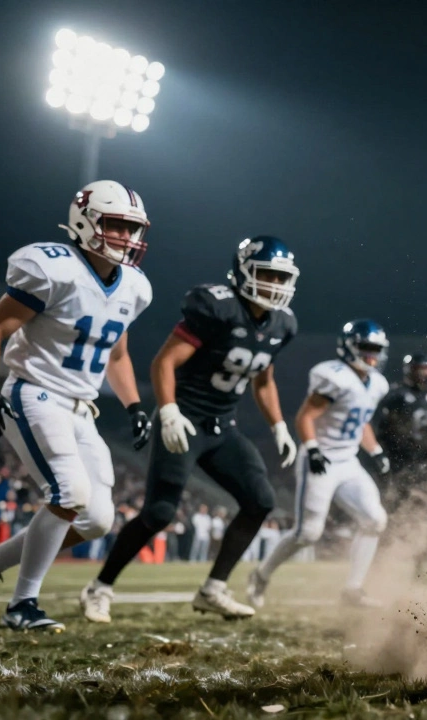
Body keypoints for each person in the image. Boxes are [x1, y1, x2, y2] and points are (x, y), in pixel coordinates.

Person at [0, 181, 153, 630]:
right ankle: (22, 605)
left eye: (132, 227)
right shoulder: (53, 268)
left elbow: (117, 353)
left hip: (81, 407)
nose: (126, 236)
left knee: (98, 519)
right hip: (34, 391)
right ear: (86, 221)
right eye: (116, 225)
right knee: (69, 494)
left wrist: (135, 406)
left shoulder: (134, 287)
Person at [81, 236, 299, 623]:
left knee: (261, 501)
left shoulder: (283, 323)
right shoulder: (218, 307)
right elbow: (163, 362)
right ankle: (99, 588)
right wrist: (167, 411)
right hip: (184, 419)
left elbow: (264, 379)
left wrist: (279, 425)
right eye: (266, 274)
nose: (274, 285)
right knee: (160, 512)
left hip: (223, 426)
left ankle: (213, 589)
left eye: (281, 278)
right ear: (244, 271)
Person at [248, 319, 392, 608]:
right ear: (349, 347)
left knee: (375, 520)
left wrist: (375, 450)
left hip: (348, 460)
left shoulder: (376, 383)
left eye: (376, 349)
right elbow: (304, 417)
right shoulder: (334, 376)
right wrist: (313, 449)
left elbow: (362, 422)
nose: (371, 355)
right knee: (307, 533)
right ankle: (261, 575)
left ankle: (353, 589)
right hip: (322, 459)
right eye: (366, 348)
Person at [374, 353, 427, 510]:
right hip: (399, 454)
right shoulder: (396, 395)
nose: (423, 374)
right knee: (395, 494)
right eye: (419, 369)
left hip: (426, 454)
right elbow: (385, 427)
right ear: (409, 370)